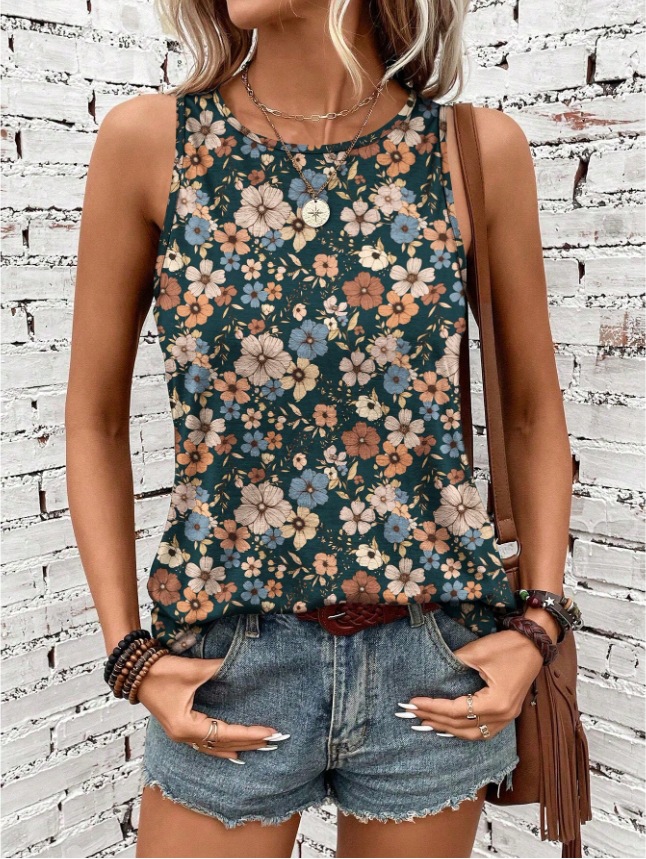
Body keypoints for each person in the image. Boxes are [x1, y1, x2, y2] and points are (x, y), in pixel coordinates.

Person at [65, 1, 575, 857]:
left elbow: (531, 410)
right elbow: (94, 418)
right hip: (230, 666)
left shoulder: (475, 150)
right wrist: (128, 654)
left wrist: (540, 625)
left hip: (433, 662)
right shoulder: (152, 142)